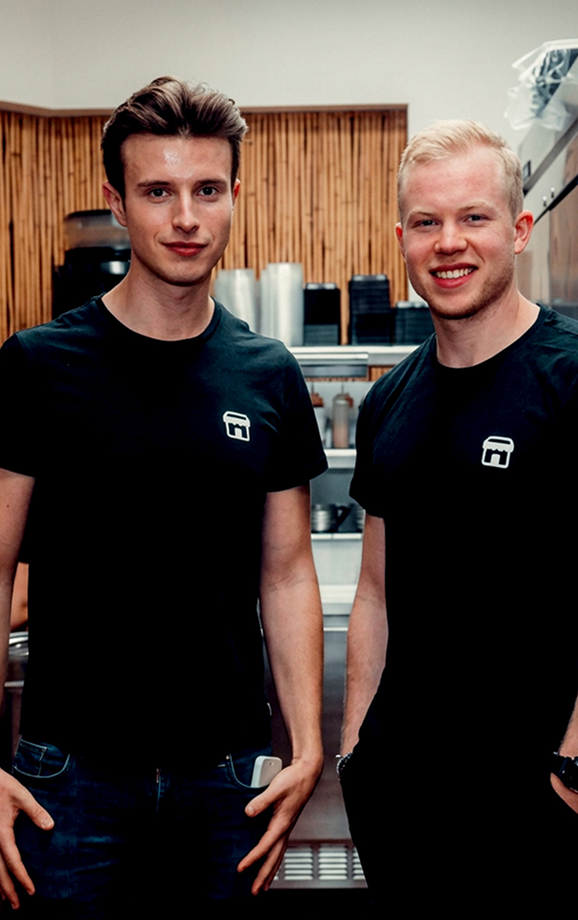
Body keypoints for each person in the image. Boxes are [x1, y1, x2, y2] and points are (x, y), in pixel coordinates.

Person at [0, 76, 326, 916]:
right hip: (66, 777)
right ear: (118, 200)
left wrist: (308, 747)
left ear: (233, 195)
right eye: (158, 191)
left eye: (207, 189)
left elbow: (286, 574)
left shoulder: (269, 376)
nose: (186, 217)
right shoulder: (38, 367)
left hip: (226, 781)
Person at [339, 120, 578, 910]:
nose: (450, 243)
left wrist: (573, 765)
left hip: (543, 801)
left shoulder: (569, 376)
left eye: (474, 218)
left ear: (518, 228)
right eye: (427, 222)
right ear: (402, 237)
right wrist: (356, 753)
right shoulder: (388, 402)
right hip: (405, 800)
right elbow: (375, 591)